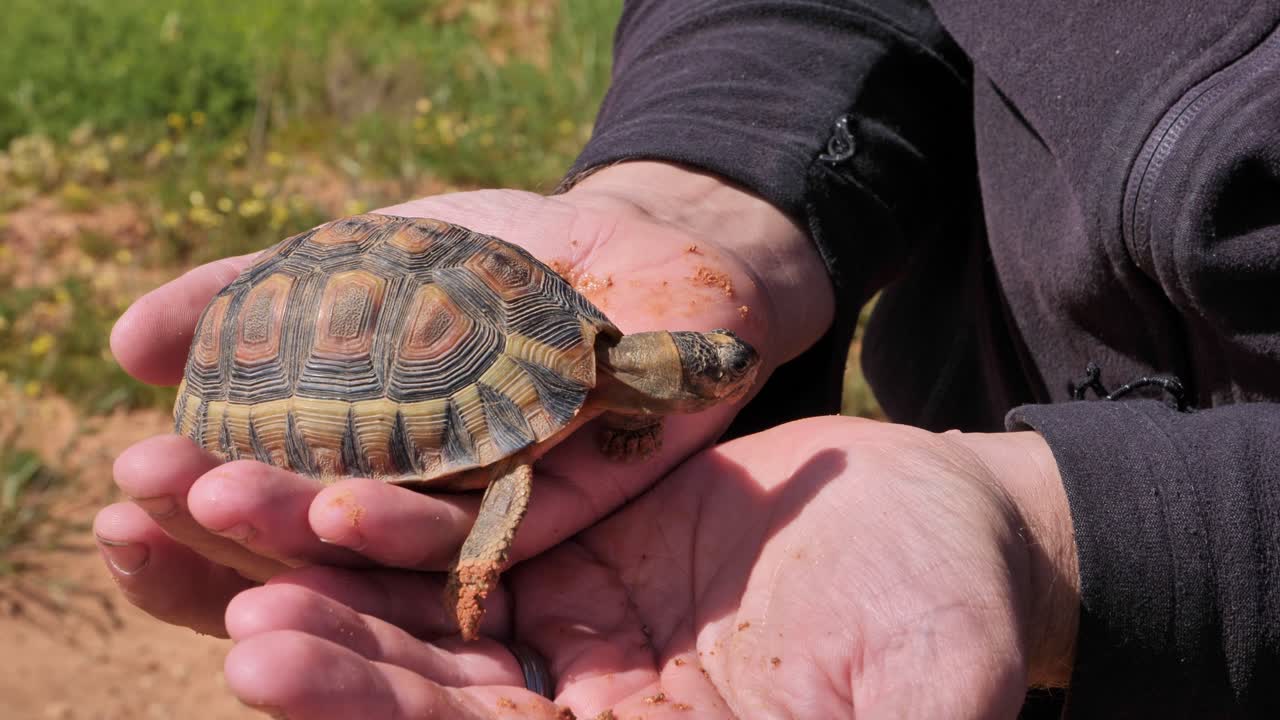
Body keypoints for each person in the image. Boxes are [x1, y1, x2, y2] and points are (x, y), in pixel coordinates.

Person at [95, 0, 1280, 717]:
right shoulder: (588, 362)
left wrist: (1110, 539)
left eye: (706, 368)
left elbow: (511, 470)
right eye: (700, 363)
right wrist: (710, 184)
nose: (718, 370)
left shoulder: (573, 402)